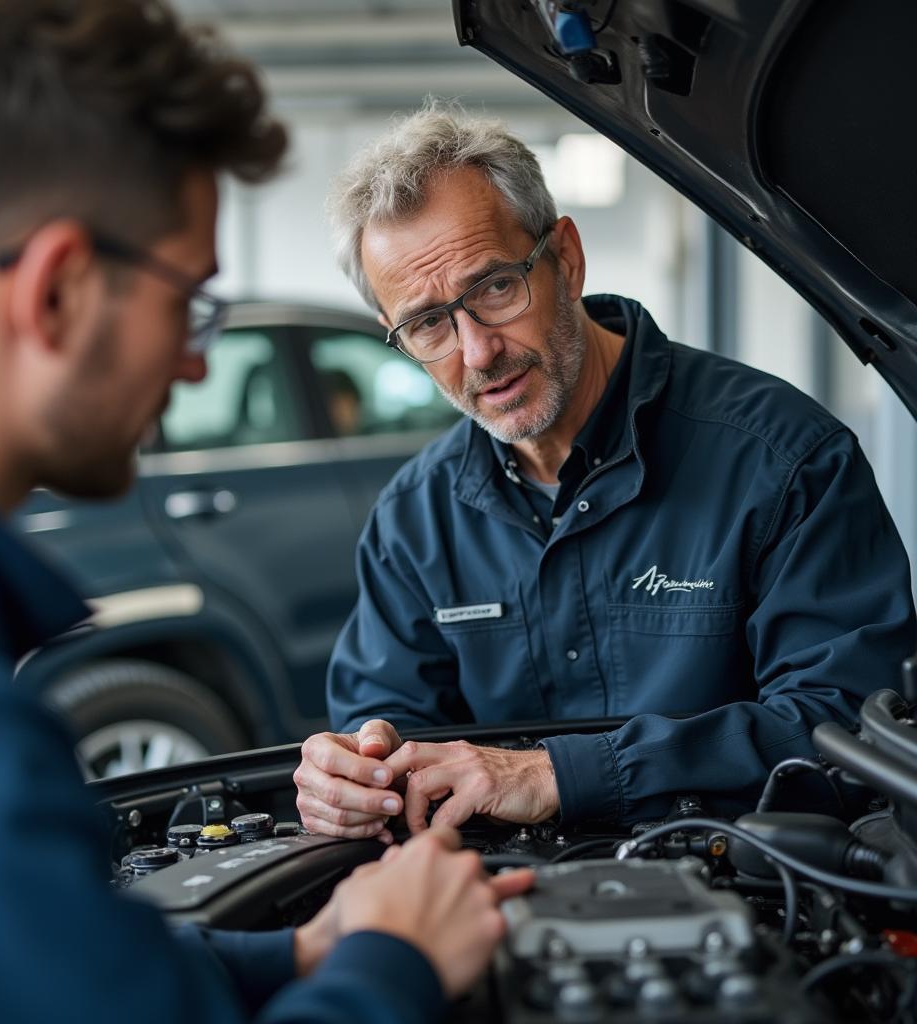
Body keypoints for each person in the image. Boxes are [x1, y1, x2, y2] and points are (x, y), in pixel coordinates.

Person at [0, 7, 532, 1023]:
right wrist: (392, 964)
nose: (196, 362)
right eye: (188, 303)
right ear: (58, 291)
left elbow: (79, 980)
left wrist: (309, 950)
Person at [293, 103, 916, 843]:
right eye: (429, 323)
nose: (478, 352)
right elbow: (390, 727)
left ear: (566, 258)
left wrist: (556, 776)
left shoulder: (784, 461)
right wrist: (354, 775)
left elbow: (849, 730)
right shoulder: (413, 521)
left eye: (494, 287)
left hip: (754, 898)